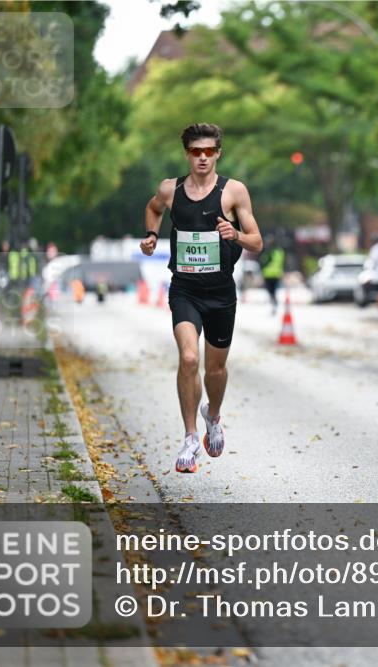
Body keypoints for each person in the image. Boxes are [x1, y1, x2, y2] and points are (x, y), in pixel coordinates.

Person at [139, 123, 263, 473]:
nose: (203, 157)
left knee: (215, 369)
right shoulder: (170, 189)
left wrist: (235, 234)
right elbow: (153, 209)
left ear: (218, 153)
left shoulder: (233, 192)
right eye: (196, 151)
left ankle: (214, 415)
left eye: (209, 151)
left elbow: (257, 242)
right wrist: (151, 235)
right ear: (188, 154)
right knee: (189, 357)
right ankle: (190, 437)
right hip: (185, 289)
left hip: (221, 292)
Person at [259, 234, 284, 313]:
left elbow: (263, 261)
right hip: (276, 274)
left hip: (268, 275)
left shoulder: (268, 251)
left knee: (271, 291)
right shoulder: (279, 251)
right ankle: (274, 303)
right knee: (273, 291)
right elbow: (281, 262)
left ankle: (274, 304)